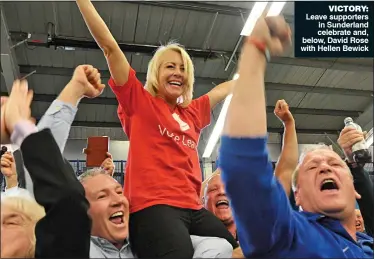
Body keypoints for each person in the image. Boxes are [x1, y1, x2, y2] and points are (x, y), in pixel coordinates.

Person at [76, 0, 238, 257]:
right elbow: (110, 48)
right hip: (153, 206)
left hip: (193, 209)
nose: (178, 73)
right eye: (170, 66)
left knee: (234, 248)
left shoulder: (192, 112)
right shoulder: (140, 102)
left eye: (184, 68)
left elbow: (219, 92)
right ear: (155, 73)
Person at [218, 15, 373, 258]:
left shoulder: (368, 245)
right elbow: (244, 170)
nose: (325, 167)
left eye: (334, 163)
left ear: (355, 190)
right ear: (296, 195)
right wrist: (255, 52)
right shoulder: (288, 234)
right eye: (312, 167)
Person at [78, 168, 233, 258]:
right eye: (102, 196)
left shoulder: (148, 236)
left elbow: (219, 246)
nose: (117, 200)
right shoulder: (70, 249)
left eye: (120, 192)